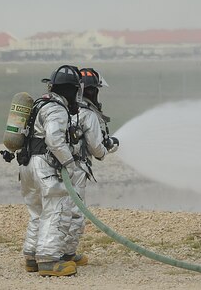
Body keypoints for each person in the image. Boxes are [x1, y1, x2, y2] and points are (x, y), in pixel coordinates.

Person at [19, 65, 83, 277]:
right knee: (54, 209)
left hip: (27, 165)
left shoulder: (40, 104)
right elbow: (55, 140)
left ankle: (31, 256)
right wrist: (70, 164)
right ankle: (48, 261)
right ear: (72, 90)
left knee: (37, 211)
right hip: (44, 167)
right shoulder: (57, 109)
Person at [64, 67, 119, 266]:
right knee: (75, 213)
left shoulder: (61, 109)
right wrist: (109, 147)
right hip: (76, 169)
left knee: (52, 211)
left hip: (53, 168)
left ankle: (35, 254)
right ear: (91, 91)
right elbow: (97, 150)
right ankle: (66, 255)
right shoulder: (88, 115)